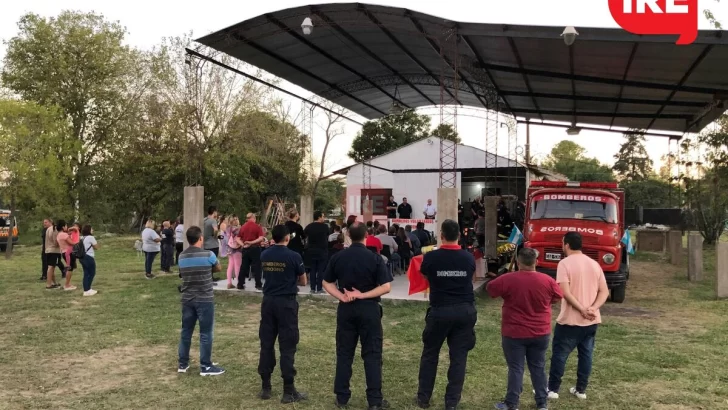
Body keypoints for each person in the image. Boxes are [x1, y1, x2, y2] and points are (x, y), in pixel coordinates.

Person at [322, 222, 393, 410]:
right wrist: (362, 294)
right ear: (366, 236)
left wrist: (342, 296)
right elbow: (386, 287)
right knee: (372, 354)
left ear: (349, 236)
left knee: (344, 353)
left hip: (346, 309)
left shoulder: (338, 257)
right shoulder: (375, 258)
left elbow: (326, 282)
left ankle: (342, 397)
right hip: (369, 309)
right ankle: (375, 401)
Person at [487, 248, 564, 410]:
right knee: (538, 366)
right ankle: (542, 402)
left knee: (516, 367)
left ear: (517, 262)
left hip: (513, 333)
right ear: (536, 262)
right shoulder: (547, 280)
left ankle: (512, 403)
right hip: (540, 331)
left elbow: (490, 289)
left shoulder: (508, 279)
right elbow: (558, 296)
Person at [415, 220, 476, 410]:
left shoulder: (431, 257)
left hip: (440, 310)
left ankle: (424, 398)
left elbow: (426, 276)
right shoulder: (468, 258)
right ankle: (451, 402)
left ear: (441, 235)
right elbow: (471, 278)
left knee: (430, 354)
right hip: (465, 311)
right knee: (458, 357)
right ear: (459, 235)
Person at [547, 232, 609, 401]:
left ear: (566, 245)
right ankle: (581, 389)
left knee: (560, 355)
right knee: (586, 355)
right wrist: (593, 308)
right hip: (591, 320)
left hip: (570, 320)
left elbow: (564, 293)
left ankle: (552, 389)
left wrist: (581, 309)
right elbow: (604, 291)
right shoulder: (594, 264)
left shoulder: (564, 264)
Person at [257, 225, 308, 403]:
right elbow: (303, 280)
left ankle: (266, 387)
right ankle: (288, 390)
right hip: (286, 302)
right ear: (287, 237)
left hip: (268, 301)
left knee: (266, 343)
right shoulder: (294, 256)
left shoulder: (265, 255)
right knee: (287, 345)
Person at [177, 225, 225, 376]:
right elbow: (218, 268)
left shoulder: (181, 256)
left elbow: (182, 274)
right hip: (204, 298)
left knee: (186, 331)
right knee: (205, 333)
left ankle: (183, 363)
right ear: (200, 238)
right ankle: (206, 366)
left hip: (187, 299)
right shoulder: (208, 255)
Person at [237, 213, 266, 291]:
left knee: (244, 266)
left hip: (245, 249)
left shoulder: (243, 227)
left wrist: (243, 245)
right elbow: (261, 238)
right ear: (253, 218)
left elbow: (237, 238)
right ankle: (258, 284)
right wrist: (252, 242)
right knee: (257, 266)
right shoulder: (257, 227)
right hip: (255, 248)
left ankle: (240, 284)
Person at [303, 211, 330, 295]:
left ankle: (312, 288)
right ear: (319, 217)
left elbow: (304, 236)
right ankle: (319, 288)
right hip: (322, 251)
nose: (323, 218)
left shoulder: (309, 226)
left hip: (311, 251)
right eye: (322, 216)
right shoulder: (325, 227)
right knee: (321, 270)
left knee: (312, 270)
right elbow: (327, 235)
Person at [57, 221, 79, 291]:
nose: (67, 227)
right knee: (70, 269)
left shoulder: (59, 235)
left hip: (64, 252)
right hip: (68, 252)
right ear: (63, 227)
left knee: (70, 268)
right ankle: (67, 284)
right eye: (66, 226)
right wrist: (77, 241)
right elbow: (72, 243)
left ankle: (68, 283)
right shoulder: (64, 235)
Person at [79, 224, 100, 296]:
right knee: (92, 273)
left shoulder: (81, 238)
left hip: (82, 257)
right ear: (89, 230)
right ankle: (87, 289)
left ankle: (86, 289)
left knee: (86, 273)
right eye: (91, 229)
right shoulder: (91, 237)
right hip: (89, 256)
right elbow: (96, 247)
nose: (92, 230)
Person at [44, 220, 65, 289]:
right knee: (51, 267)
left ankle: (54, 283)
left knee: (51, 267)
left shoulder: (48, 229)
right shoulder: (54, 230)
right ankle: (48, 284)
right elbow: (55, 243)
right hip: (54, 251)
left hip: (48, 250)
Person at [226, 216, 242, 290]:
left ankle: (229, 283)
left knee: (230, 265)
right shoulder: (237, 229)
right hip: (236, 248)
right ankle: (239, 283)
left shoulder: (228, 228)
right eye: (236, 219)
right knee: (237, 266)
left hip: (229, 247)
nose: (237, 220)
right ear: (234, 221)